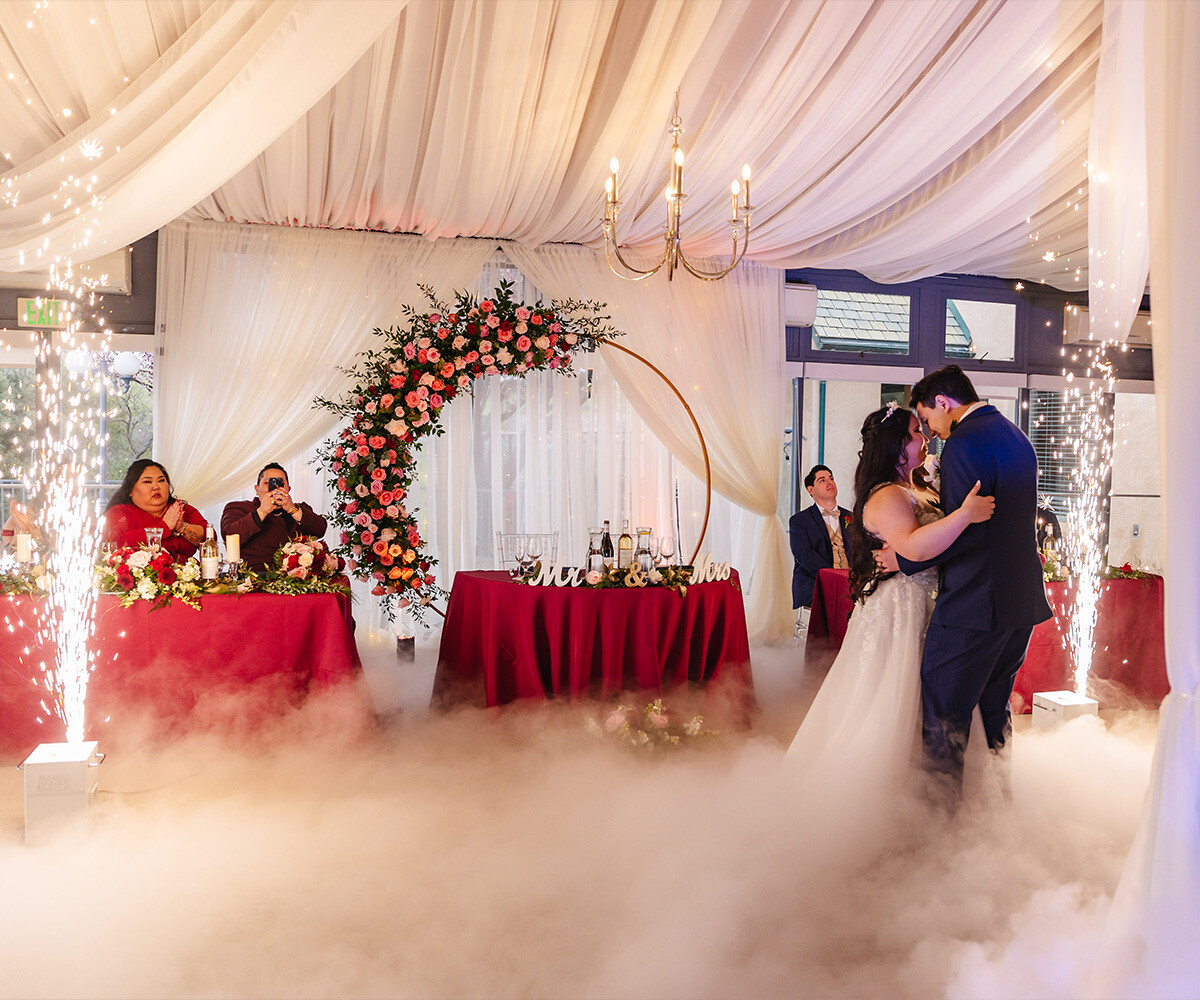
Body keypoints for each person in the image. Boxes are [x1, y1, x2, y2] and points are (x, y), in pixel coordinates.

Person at [785, 403, 994, 848]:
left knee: (927, 698)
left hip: (921, 604)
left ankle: (936, 800)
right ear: (899, 444)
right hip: (900, 611)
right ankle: (882, 812)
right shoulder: (888, 496)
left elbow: (910, 554)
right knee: (888, 697)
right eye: (917, 432)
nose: (925, 439)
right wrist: (964, 515)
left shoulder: (907, 487)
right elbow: (915, 548)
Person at [882, 365, 1052, 803]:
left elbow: (967, 530)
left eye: (928, 418)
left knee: (944, 716)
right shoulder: (1016, 435)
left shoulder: (964, 442)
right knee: (994, 712)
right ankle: (997, 806)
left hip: (976, 605)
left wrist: (904, 560)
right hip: (1021, 604)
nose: (931, 432)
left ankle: (941, 833)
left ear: (943, 402)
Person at [221, 463, 328, 572]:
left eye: (280, 483)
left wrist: (292, 509)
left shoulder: (300, 509)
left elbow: (320, 530)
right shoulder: (239, 508)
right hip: (255, 578)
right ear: (257, 489)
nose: (275, 488)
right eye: (268, 483)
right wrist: (261, 512)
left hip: (296, 580)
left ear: (288, 489)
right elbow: (229, 535)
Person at [102, 459, 208, 561]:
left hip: (190, 576)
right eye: (147, 482)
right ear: (130, 490)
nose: (156, 486)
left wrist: (182, 527)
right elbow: (115, 545)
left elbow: (209, 539)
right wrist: (164, 527)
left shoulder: (179, 509)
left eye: (161, 481)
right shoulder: (119, 514)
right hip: (140, 578)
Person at [789, 465, 852, 610]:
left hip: (852, 583)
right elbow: (804, 555)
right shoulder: (799, 521)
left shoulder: (852, 517)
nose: (829, 482)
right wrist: (834, 578)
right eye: (822, 480)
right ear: (810, 490)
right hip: (816, 583)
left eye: (831, 478)